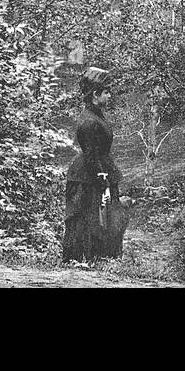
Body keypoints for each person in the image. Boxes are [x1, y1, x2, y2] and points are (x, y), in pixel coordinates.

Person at [63, 66, 128, 262]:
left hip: (97, 169)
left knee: (106, 216)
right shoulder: (89, 121)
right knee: (87, 218)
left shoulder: (96, 116)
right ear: (95, 94)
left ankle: (100, 258)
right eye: (106, 92)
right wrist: (102, 180)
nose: (109, 95)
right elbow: (91, 155)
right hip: (88, 175)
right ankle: (84, 259)